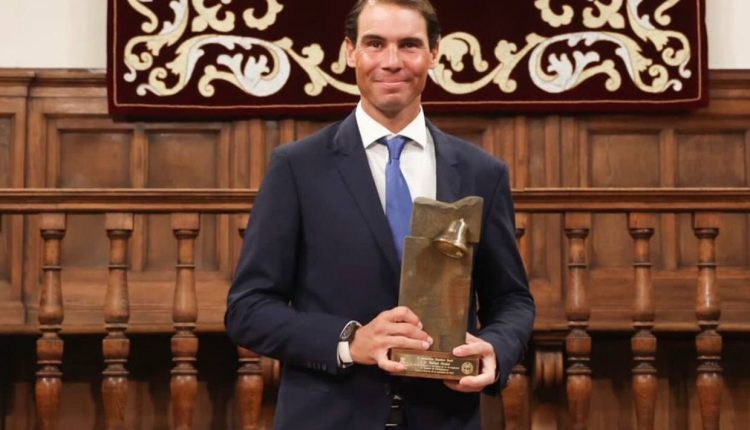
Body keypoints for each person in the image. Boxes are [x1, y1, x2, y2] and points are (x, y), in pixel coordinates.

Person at [225, 0, 535, 428]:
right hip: (329, 417)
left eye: (409, 45)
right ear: (350, 52)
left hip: (444, 416)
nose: (392, 61)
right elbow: (248, 308)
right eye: (375, 44)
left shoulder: (482, 173)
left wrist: (495, 348)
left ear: (434, 53)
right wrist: (351, 341)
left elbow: (512, 300)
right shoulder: (297, 168)